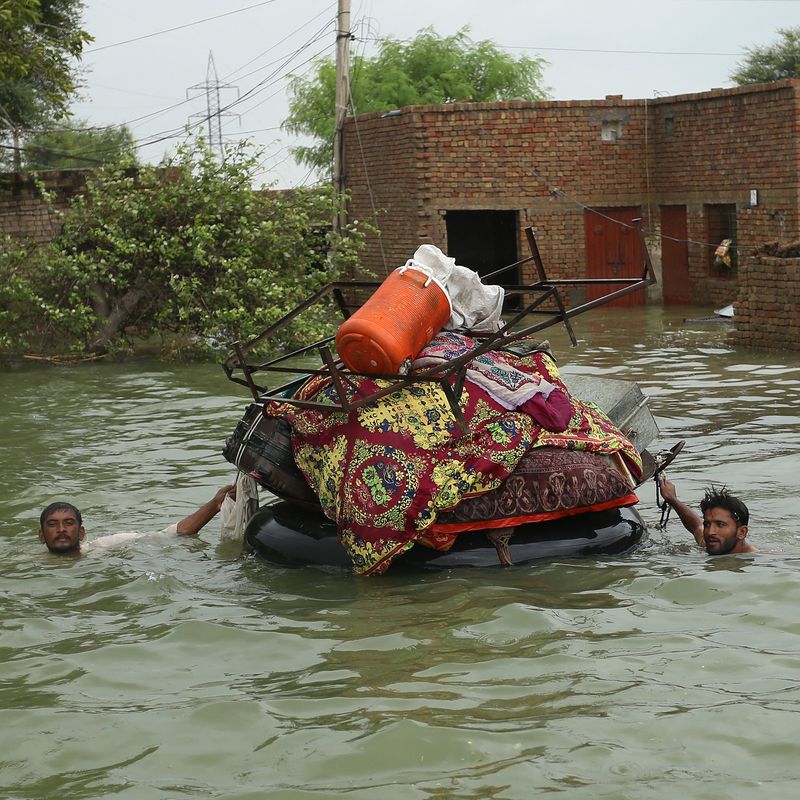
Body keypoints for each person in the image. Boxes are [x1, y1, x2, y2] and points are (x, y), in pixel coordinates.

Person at [38, 484, 235, 555]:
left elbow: (172, 534)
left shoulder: (105, 547)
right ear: (41, 536)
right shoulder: (30, 565)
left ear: (81, 532)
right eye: (52, 525)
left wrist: (215, 504)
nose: (61, 529)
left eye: (69, 523)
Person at [657, 474, 755, 555]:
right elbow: (696, 526)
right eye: (707, 524)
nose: (710, 532)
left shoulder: (759, 561)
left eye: (720, 524)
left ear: (741, 532)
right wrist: (672, 499)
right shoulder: (713, 543)